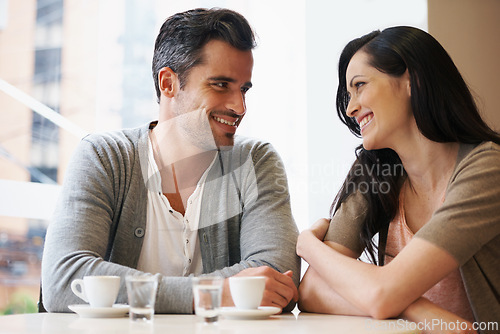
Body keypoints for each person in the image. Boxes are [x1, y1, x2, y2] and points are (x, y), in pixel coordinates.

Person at [41, 8, 300, 314]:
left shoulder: (256, 162)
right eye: (220, 85)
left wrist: (139, 292)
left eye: (243, 89)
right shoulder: (104, 157)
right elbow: (64, 282)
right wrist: (213, 294)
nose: (239, 106)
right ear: (168, 84)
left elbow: (277, 277)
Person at [297, 26, 500, 333]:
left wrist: (308, 245)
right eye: (348, 95)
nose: (351, 108)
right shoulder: (378, 174)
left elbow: (379, 296)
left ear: (412, 81)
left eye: (360, 85)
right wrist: (416, 308)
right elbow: (312, 290)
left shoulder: (487, 169)